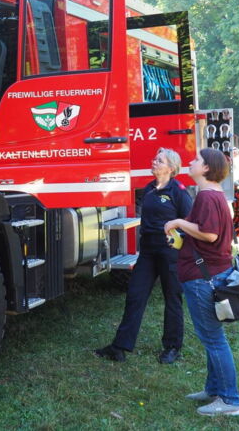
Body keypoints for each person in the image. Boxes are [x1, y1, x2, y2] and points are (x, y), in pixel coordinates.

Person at [95, 148, 193, 363]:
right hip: (147, 252)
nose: (154, 162)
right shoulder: (149, 189)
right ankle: (119, 347)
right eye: (155, 158)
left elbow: (190, 222)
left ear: (171, 168)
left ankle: (172, 347)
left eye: (160, 160)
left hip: (170, 252)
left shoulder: (178, 191)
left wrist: (181, 246)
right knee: (135, 295)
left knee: (172, 298)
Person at [164, 148, 239, 417]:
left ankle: (230, 400)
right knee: (212, 337)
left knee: (213, 339)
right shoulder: (214, 194)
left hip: (203, 277)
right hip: (209, 273)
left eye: (196, 160)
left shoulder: (207, 196)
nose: (191, 162)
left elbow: (209, 234)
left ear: (207, 168)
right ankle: (214, 389)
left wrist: (178, 221)